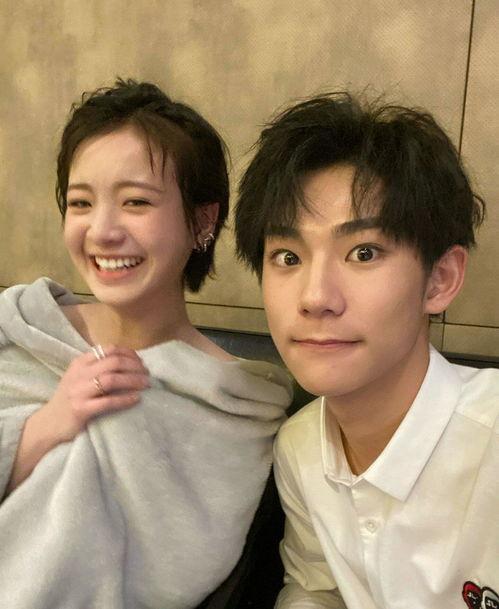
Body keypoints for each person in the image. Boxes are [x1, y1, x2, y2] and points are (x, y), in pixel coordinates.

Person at [0, 79, 292, 609]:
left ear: (202, 221)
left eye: (135, 201)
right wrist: (46, 426)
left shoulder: (232, 406)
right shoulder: (18, 331)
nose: (102, 231)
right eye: (81, 202)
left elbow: (184, 573)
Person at [235, 92, 498, 608]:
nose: (315, 298)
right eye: (287, 257)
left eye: (363, 252)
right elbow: (317, 589)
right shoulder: (299, 447)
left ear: (440, 279)